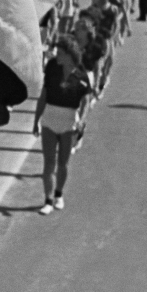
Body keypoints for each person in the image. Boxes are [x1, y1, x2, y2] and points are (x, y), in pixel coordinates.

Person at [32, 35, 94, 215]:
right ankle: (48, 200)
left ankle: (59, 194)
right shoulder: (52, 67)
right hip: (49, 119)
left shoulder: (82, 77)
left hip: (68, 123)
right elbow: (43, 96)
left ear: (69, 55)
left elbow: (86, 101)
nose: (56, 55)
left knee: (63, 163)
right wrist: (36, 120)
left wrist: (82, 120)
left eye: (60, 53)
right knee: (49, 163)